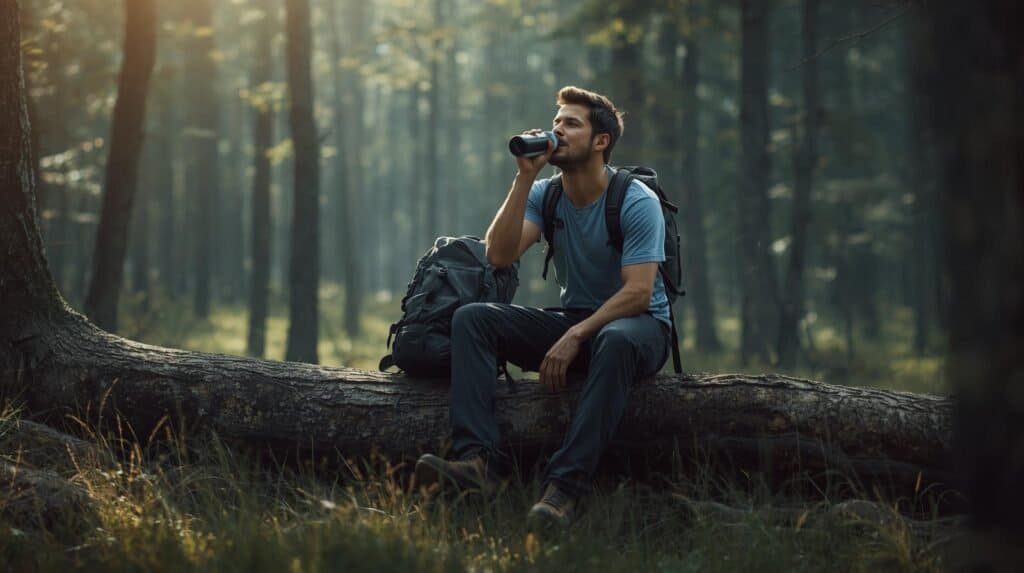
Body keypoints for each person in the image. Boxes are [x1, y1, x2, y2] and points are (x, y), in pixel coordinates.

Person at [414, 86, 672, 529]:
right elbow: (497, 255)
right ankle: (478, 465)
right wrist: (523, 179)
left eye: (571, 124)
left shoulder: (634, 200)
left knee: (612, 338)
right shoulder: (546, 194)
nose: (557, 130)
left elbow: (639, 293)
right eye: (556, 123)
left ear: (600, 141)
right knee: (473, 318)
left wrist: (575, 336)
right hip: (581, 321)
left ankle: (563, 490)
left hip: (639, 327)